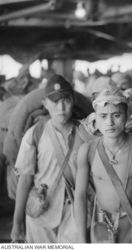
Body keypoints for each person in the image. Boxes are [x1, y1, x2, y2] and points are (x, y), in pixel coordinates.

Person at [10, 74, 91, 243]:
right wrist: (17, 222)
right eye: (54, 101)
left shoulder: (85, 133)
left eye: (66, 100)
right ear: (46, 104)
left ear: (73, 101)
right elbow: (25, 180)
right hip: (40, 212)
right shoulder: (35, 134)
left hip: (75, 213)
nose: (61, 107)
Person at [74, 87, 132, 243]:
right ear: (96, 119)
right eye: (103, 116)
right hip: (102, 223)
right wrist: (81, 238)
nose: (110, 123)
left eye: (116, 115)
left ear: (126, 116)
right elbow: (79, 195)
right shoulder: (87, 151)